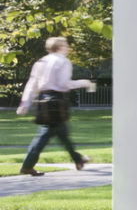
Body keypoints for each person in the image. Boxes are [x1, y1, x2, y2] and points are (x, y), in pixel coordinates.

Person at [16, 36, 97, 176]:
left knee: (62, 133)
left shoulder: (40, 62)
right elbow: (64, 84)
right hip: (57, 101)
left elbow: (32, 84)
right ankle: (27, 166)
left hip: (43, 101)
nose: (68, 48)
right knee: (45, 135)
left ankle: (78, 160)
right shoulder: (63, 62)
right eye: (66, 45)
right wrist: (84, 83)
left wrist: (25, 103)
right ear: (60, 47)